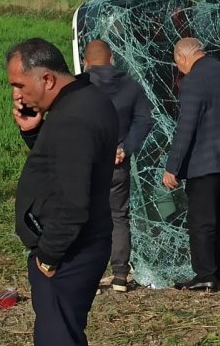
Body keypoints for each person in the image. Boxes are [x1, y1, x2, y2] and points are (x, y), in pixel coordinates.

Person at [7, 38, 118, 345]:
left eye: (19, 85)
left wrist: (49, 256)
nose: (16, 95)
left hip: (70, 251)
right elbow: (64, 164)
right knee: (63, 331)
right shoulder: (85, 99)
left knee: (57, 337)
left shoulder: (74, 118)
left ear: (47, 78)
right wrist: (34, 133)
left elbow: (73, 201)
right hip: (81, 243)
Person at [163, 37, 220, 291]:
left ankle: (205, 275)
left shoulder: (194, 80)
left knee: (201, 220)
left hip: (207, 162)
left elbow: (186, 128)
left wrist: (173, 167)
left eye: (176, 62)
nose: (178, 67)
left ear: (182, 57)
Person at [82, 39, 153, 293]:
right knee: (119, 216)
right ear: (112, 59)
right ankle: (120, 275)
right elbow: (144, 120)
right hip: (117, 163)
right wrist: (124, 148)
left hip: (86, 163)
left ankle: (89, 274)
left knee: (86, 216)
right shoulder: (131, 86)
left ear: (85, 62)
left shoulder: (79, 86)